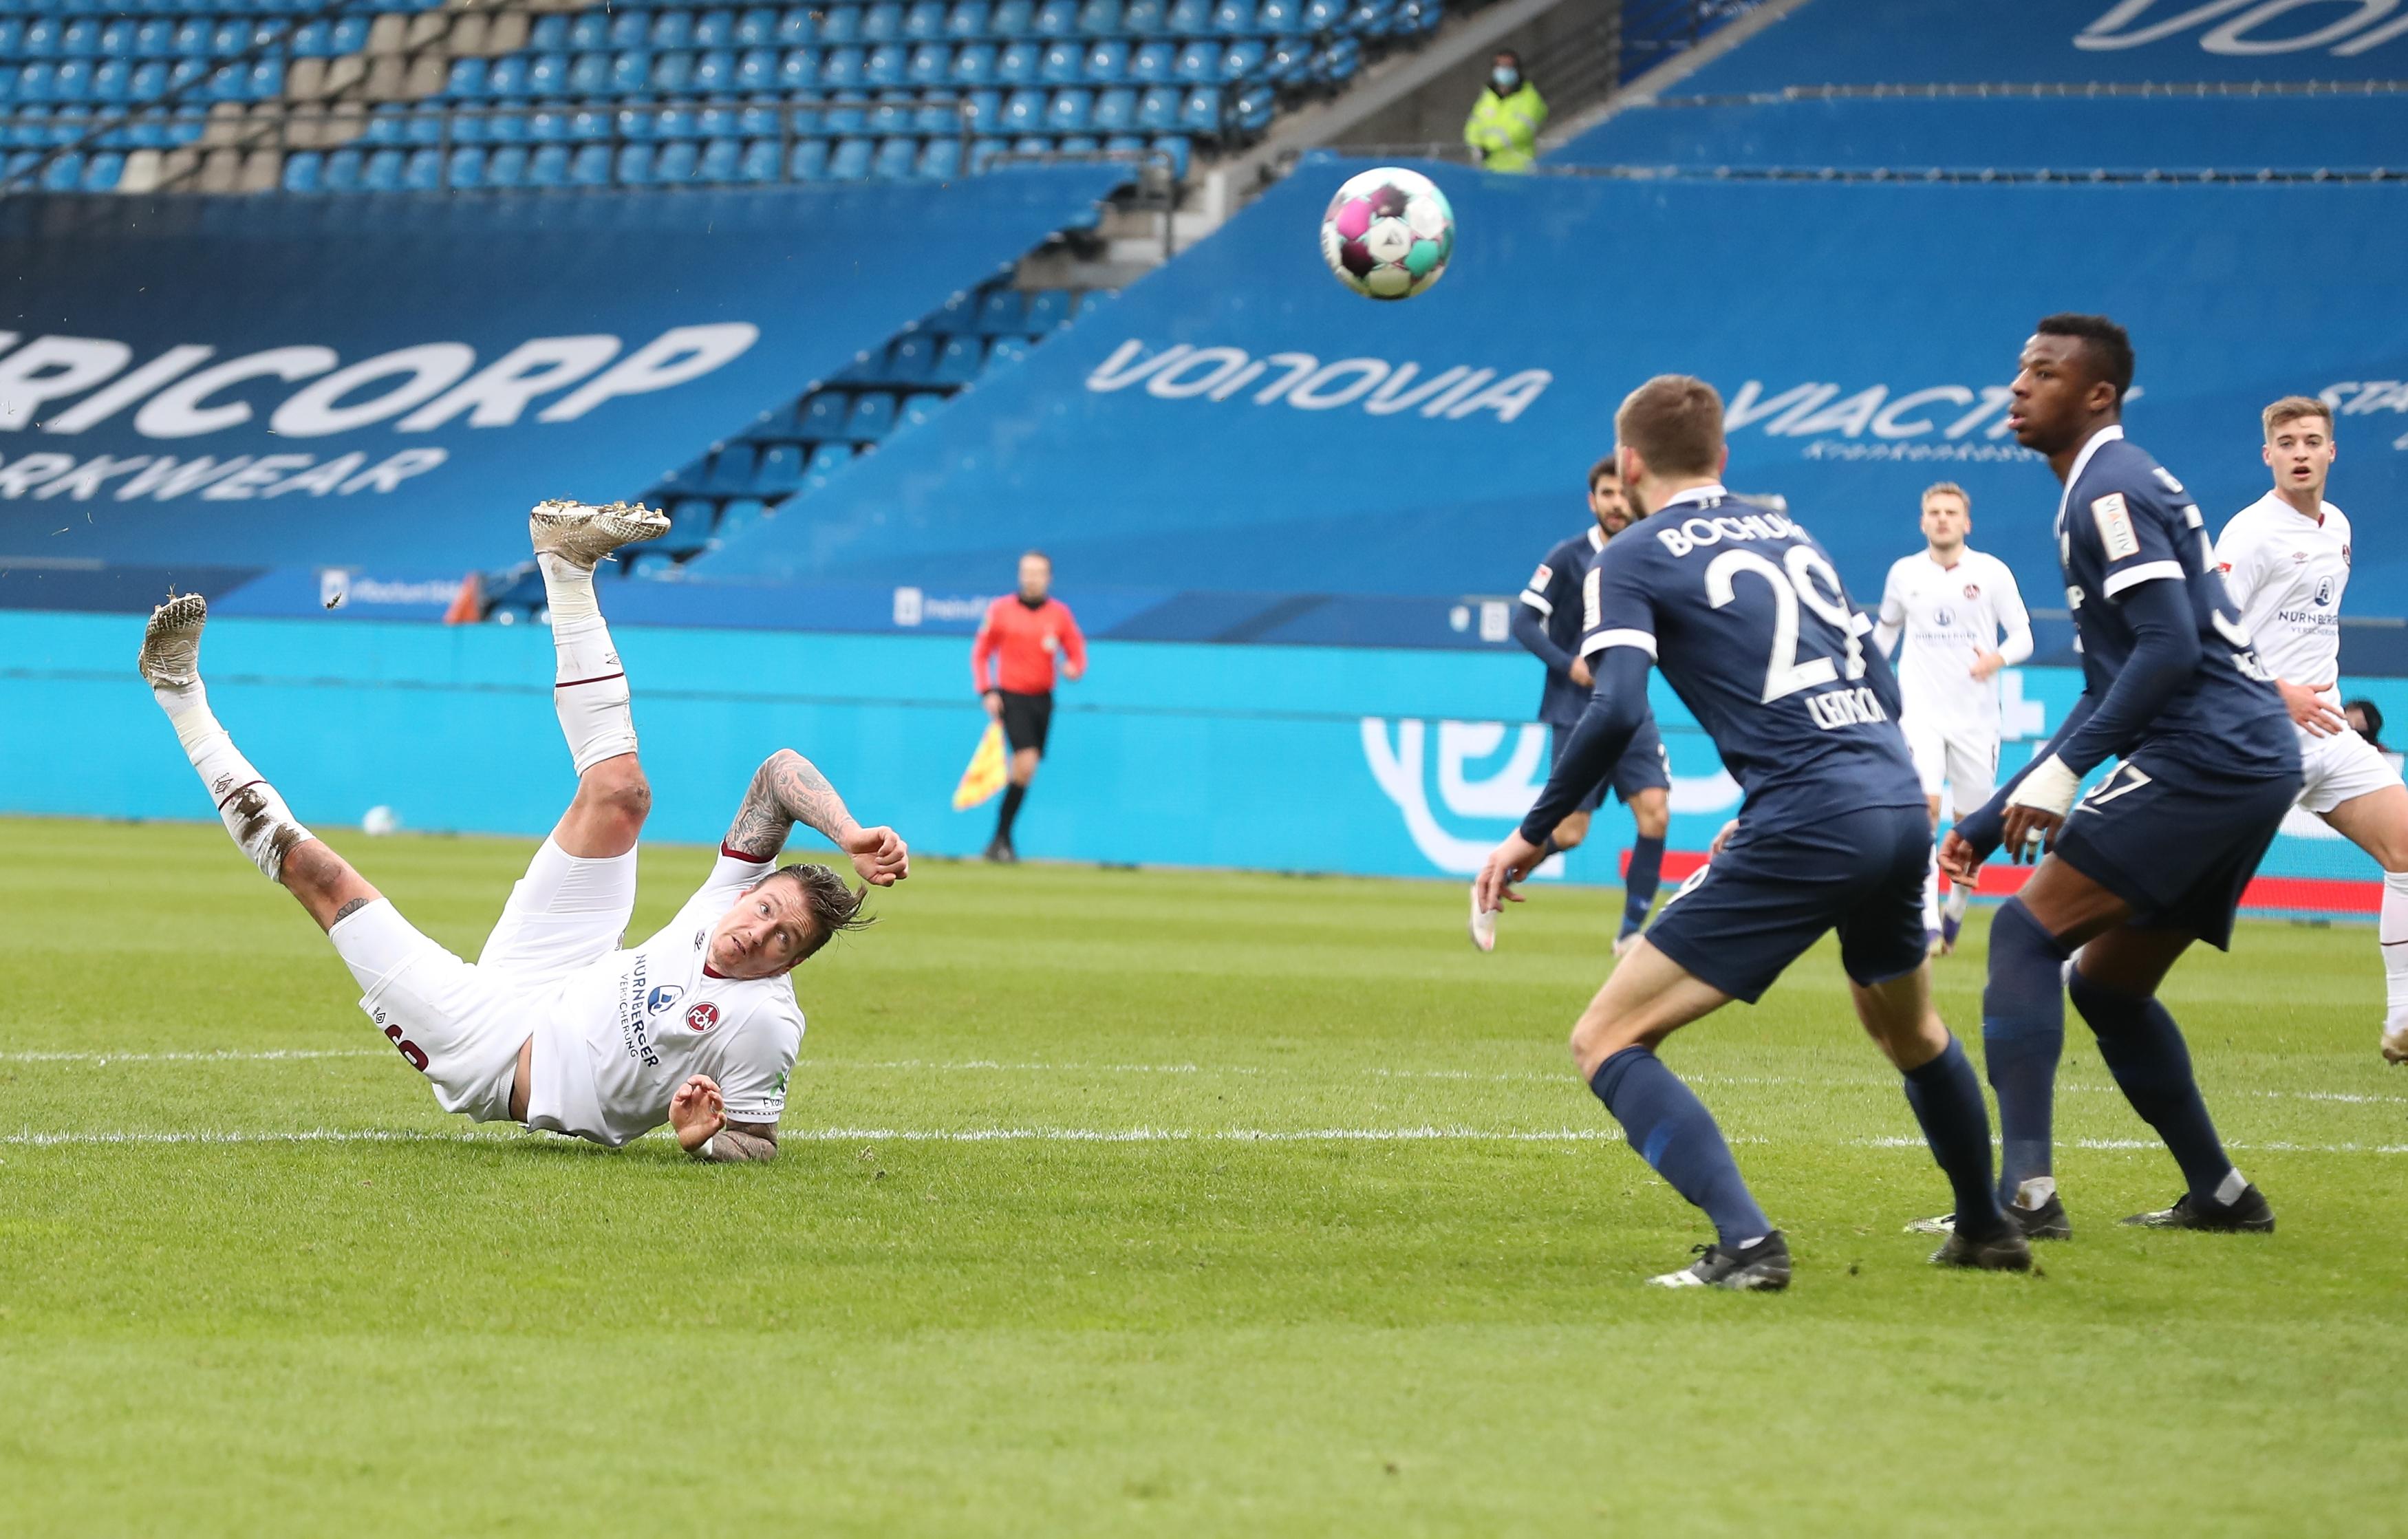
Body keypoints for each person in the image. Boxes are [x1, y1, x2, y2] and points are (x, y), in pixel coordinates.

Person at [133, 500, 910, 1159]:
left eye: (783, 940)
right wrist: (847, 832)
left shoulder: (766, 1023)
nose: (757, 931)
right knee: (620, 793)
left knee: (322, 877)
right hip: (565, 965)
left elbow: (755, 1140)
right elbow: (778, 772)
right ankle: (566, 568)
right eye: (765, 908)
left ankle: (179, 695)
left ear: (792, 963)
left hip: (498, 1056)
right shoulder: (730, 899)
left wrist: (702, 1137)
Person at [1473, 374, 2028, 1290]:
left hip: (1813, 812)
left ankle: (1748, 1245)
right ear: (1724, 459)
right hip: (1892, 797)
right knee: (1909, 1026)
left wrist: (1529, 835)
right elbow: (1880, 685)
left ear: (1629, 465)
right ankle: (1986, 1224)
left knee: (1605, 1037)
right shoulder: (1791, 530)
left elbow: (1612, 710)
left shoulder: (1632, 556)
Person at [1927, 315, 2301, 1240]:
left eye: (2044, 373)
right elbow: (2109, 686)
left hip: (2208, 754)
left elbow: (2171, 647)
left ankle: (2024, 1195)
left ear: (2098, 395)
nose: (2019, 387)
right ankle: (2219, 1193)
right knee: (2108, 987)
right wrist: (1992, 813)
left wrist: (2068, 776)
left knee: (2023, 938)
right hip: (2245, 756)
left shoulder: (2110, 487)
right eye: (2019, 370)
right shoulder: (2102, 486)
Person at [2214, 396, 2408, 1066]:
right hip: (2255, 732)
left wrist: (2313, 691)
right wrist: (2276, 691)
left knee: (2407, 848)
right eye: (2286, 441)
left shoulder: (2338, 526)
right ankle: (2068, 959)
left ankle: (2402, 1019)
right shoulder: (2248, 534)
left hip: (2326, 732)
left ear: (2331, 451)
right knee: (2170, 879)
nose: (2299, 451)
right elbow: (2201, 636)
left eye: (2310, 440)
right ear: (2266, 454)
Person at [1485, 457, 1673, 955]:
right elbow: (1524, 622)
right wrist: (1568, 664)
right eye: (1605, 494)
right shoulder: (1569, 557)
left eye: (1620, 493)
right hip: (1577, 709)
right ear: (1593, 501)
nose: (1615, 503)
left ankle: (1631, 934)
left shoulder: (1649, 553)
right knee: (1569, 831)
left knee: (1655, 813)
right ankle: (1492, 879)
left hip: (1631, 707)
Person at [1873, 482, 2034, 955]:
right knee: (1925, 808)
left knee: (1972, 824)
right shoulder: (1904, 574)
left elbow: (2023, 634)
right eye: (1934, 512)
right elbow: (1886, 633)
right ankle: (1924, 916)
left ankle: (1955, 910)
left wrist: (1997, 659)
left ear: (1967, 522)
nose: (1942, 519)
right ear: (1923, 521)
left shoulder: (1991, 573)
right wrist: (1865, 676)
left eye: (1951, 512)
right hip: (1919, 709)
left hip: (1976, 718)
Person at [973, 550, 1086, 863]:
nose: (1031, 578)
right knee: (1025, 762)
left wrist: (1075, 668)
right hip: (1013, 696)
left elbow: (1076, 649)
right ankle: (1001, 840)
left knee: (1026, 772)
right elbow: (981, 653)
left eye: (1038, 573)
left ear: (1047, 578)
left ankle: (1000, 840)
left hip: (1043, 700)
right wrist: (987, 690)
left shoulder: (1059, 614)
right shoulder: (1001, 610)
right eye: (1026, 572)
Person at [1463, 50, 1547, 173]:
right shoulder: (1488, 97)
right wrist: (1475, 146)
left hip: (1519, 171)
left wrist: (1489, 147)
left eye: (1508, 67)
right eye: (1500, 66)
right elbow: (1473, 125)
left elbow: (1522, 130)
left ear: (1517, 69)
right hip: (1490, 171)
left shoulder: (1529, 98)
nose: (1504, 71)